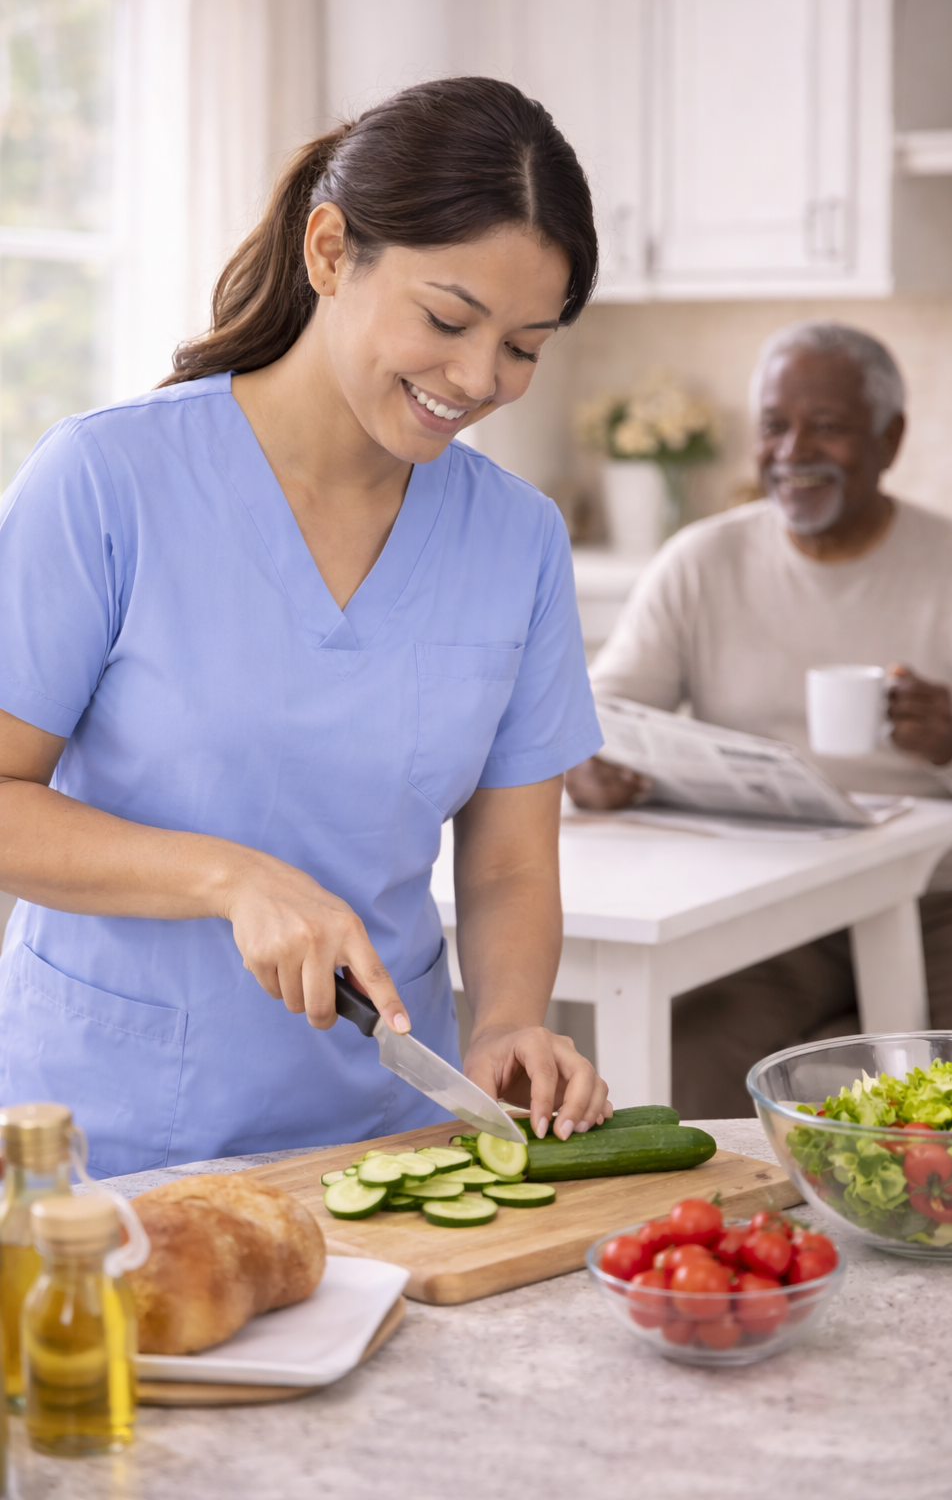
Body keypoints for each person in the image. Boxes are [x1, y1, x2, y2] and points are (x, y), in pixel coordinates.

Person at [0, 78, 611, 1177]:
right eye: (447, 319)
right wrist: (229, 878)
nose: (478, 379)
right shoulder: (106, 480)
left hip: (387, 1139)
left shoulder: (517, 539)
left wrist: (509, 1023)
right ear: (330, 252)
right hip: (110, 1143)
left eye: (525, 346)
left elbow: (512, 859)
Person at [567, 321, 952, 1117]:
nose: (792, 450)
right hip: (778, 897)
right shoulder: (702, 562)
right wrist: (589, 769)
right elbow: (599, 713)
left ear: (891, 439)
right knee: (686, 1073)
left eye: (829, 427)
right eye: (775, 426)